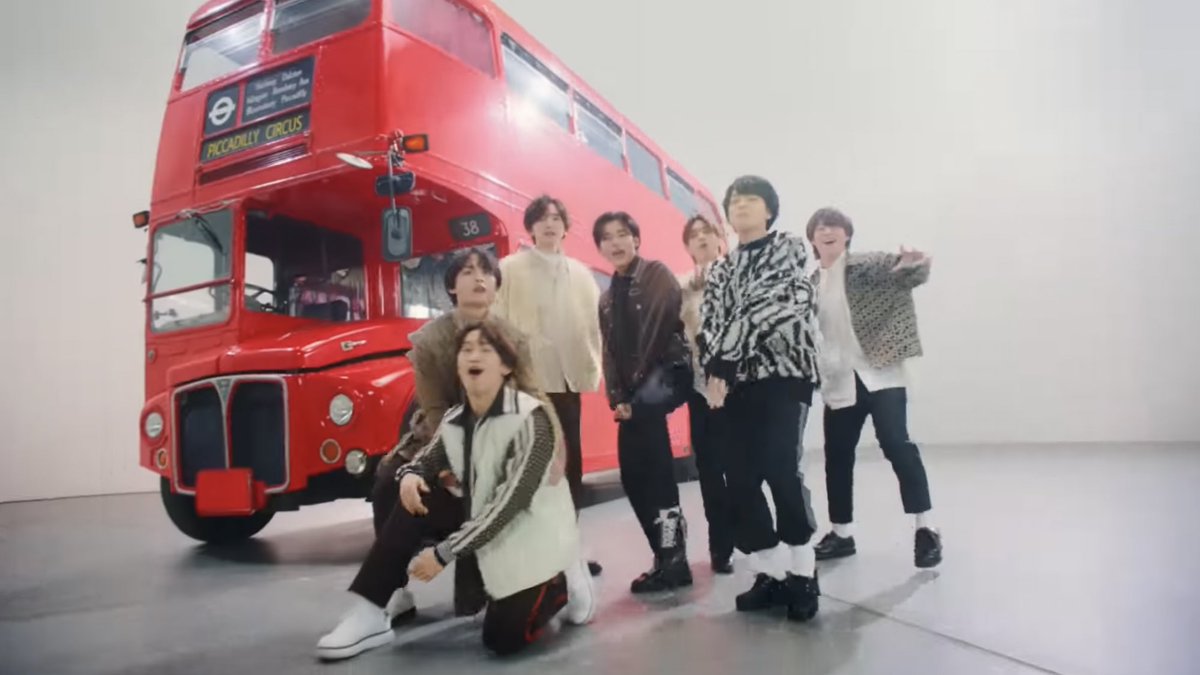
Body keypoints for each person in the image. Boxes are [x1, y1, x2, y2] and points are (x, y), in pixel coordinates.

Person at [317, 320, 596, 661]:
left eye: (485, 349)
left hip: (529, 531)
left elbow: (508, 505)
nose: (473, 356)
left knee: (502, 637)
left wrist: (443, 554)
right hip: (486, 523)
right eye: (466, 350)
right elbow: (426, 459)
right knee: (415, 496)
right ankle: (371, 610)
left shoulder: (531, 421)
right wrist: (410, 475)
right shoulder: (456, 419)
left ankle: (561, 577)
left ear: (506, 366)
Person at [371, 248, 531, 622]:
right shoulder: (430, 340)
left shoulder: (514, 339)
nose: (479, 278)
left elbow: (524, 401)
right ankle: (395, 589)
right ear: (452, 286)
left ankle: (490, 585)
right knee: (387, 481)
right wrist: (446, 462)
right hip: (438, 436)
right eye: (468, 272)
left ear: (496, 286)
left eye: (486, 272)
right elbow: (434, 409)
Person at [696, 175, 822, 622]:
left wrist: (724, 360)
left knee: (781, 469)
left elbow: (766, 306)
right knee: (740, 478)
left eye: (751, 199)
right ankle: (768, 573)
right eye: (734, 200)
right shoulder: (720, 270)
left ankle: (803, 573)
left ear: (769, 210)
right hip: (736, 384)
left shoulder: (789, 248)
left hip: (784, 376)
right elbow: (708, 323)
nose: (741, 206)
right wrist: (715, 368)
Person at [805, 207, 942, 568]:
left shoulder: (866, 264)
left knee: (896, 444)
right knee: (837, 456)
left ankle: (926, 528)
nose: (827, 231)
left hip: (881, 373)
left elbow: (906, 273)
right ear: (812, 239)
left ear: (847, 234)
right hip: (839, 379)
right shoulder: (810, 283)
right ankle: (841, 533)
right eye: (820, 227)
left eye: (835, 226)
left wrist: (915, 263)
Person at [494, 195, 604, 576]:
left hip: (567, 383)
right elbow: (497, 324)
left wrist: (593, 368)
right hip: (527, 385)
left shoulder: (581, 273)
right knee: (532, 469)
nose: (550, 224)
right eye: (541, 218)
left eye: (556, 218)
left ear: (565, 227)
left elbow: (594, 325)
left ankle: (568, 552)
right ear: (530, 227)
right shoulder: (509, 269)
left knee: (569, 469)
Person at [594, 211, 693, 593]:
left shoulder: (656, 275)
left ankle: (674, 560)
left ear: (636, 239)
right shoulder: (607, 298)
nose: (615, 243)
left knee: (658, 480)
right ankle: (666, 555)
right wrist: (617, 398)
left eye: (622, 234)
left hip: (658, 386)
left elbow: (656, 333)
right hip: (634, 398)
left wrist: (635, 395)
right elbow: (609, 352)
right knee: (635, 478)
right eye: (607, 238)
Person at [677, 215, 735, 575]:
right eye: (693, 235)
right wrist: (687, 290)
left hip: (738, 387)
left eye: (706, 233)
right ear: (687, 246)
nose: (700, 239)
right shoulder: (682, 284)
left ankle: (756, 536)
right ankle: (721, 544)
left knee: (743, 466)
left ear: (719, 240)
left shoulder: (736, 273)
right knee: (710, 469)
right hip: (699, 390)